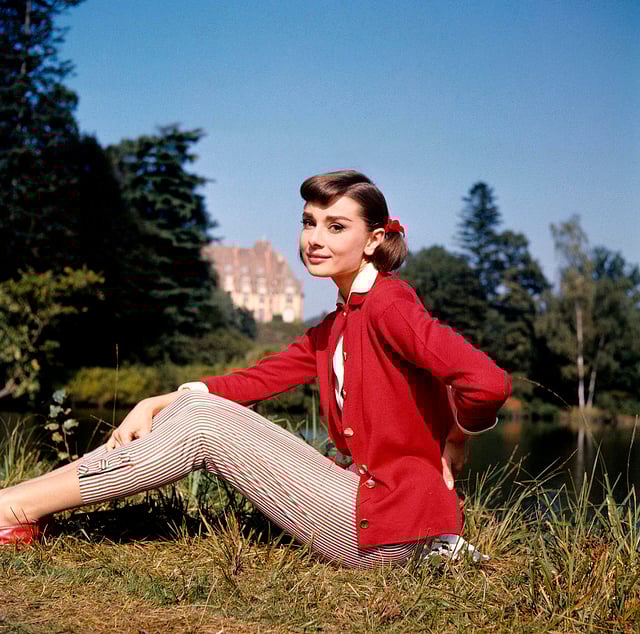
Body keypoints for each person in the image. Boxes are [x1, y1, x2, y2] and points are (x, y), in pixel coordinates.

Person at [0, 170, 511, 568]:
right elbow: (256, 380)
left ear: (374, 239)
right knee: (196, 406)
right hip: (374, 514)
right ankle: (16, 505)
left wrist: (458, 435)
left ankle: (14, 508)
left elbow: (487, 382)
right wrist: (156, 402)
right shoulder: (339, 321)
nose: (314, 239)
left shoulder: (388, 304)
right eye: (309, 222)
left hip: (391, 531)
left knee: (202, 423)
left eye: (336, 227)